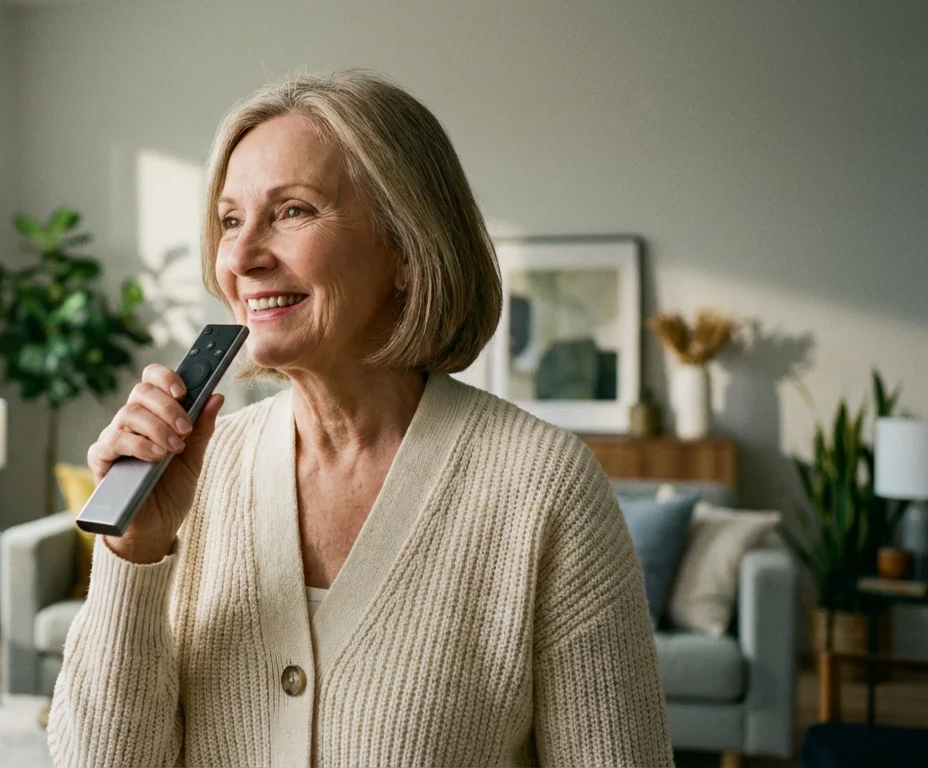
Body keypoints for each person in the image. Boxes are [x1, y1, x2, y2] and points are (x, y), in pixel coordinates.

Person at [47, 69, 672, 767]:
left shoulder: (544, 487)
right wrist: (132, 556)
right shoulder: (193, 473)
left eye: (293, 211)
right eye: (230, 220)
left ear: (406, 245)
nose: (243, 258)